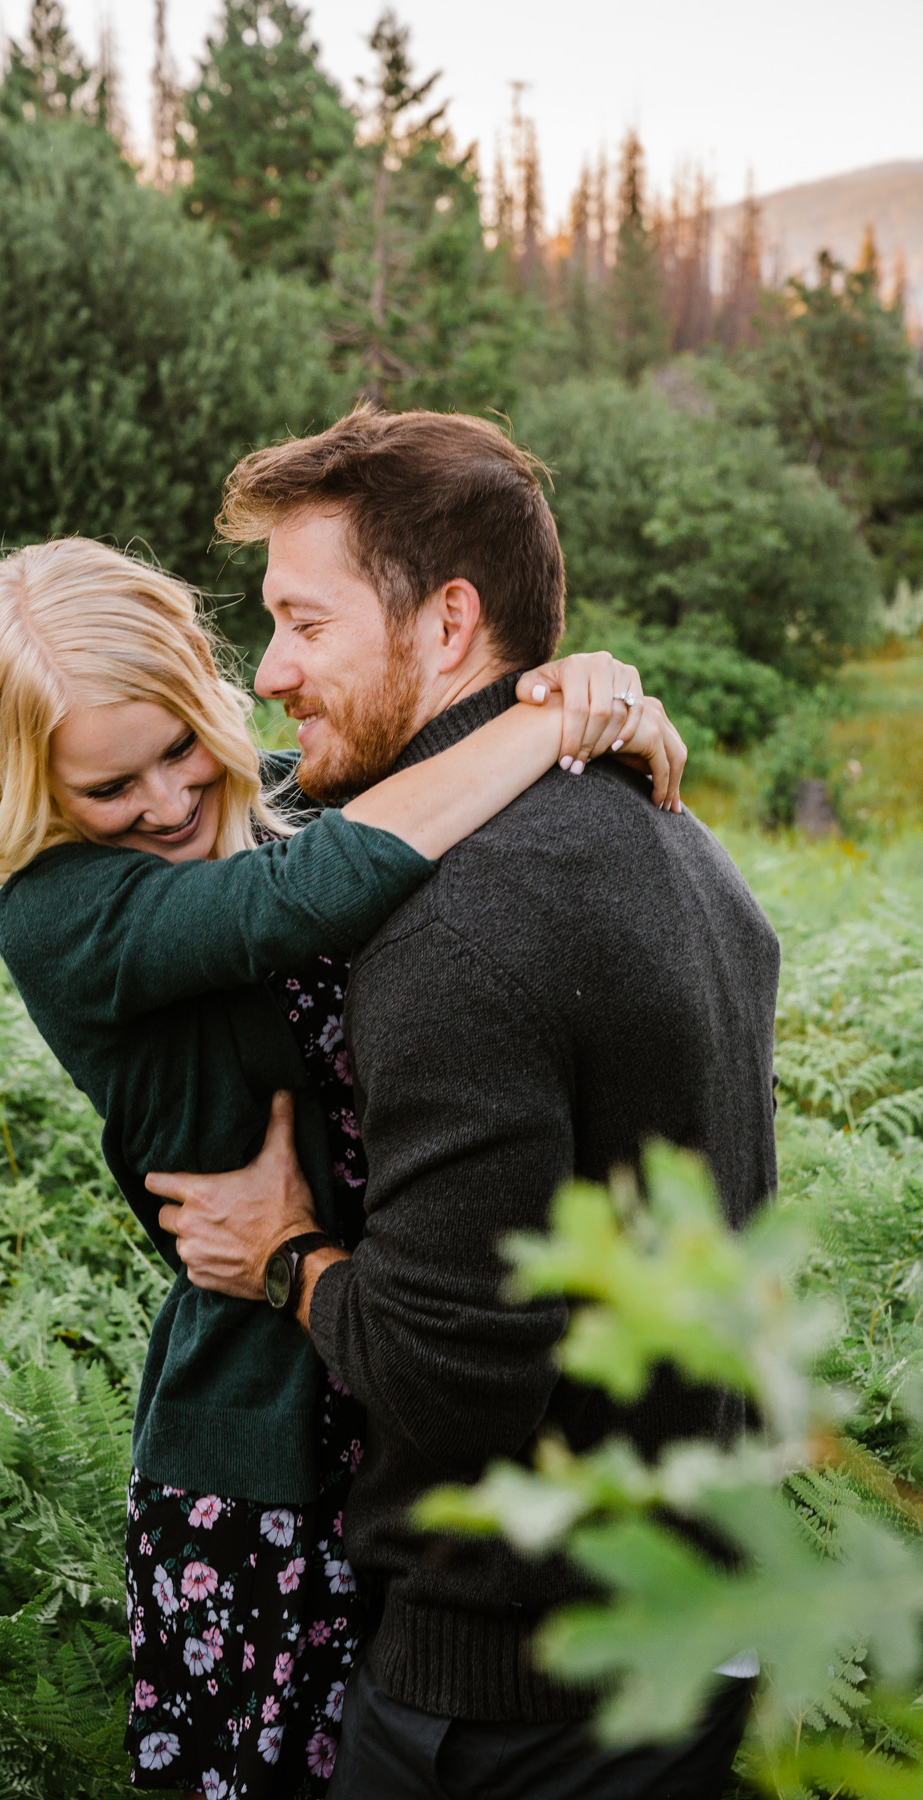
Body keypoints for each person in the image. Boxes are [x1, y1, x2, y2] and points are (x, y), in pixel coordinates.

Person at [0, 534, 685, 1800]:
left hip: (416, 1368)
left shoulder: (275, 800)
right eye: (110, 790)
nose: (167, 805)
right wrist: (545, 728)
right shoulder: (59, 916)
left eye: (181, 749)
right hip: (265, 1453)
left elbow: (415, 776)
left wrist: (585, 693)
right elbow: (310, 900)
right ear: (34, 789)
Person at [149, 407, 782, 1800]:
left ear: (446, 625)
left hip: (511, 1693)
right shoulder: (674, 838)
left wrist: (282, 1256)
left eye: (305, 626)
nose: (269, 674)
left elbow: (451, 1368)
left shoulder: (459, 926)